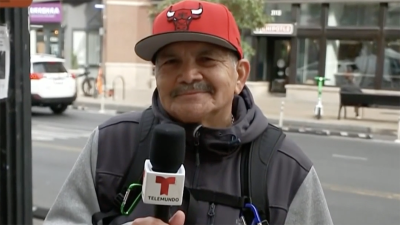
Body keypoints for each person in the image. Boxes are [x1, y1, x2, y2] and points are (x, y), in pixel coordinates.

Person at [44, 1, 334, 225]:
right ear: (156, 74)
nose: (188, 74)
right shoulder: (109, 145)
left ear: (239, 75)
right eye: (171, 62)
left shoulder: (288, 169)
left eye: (207, 59)